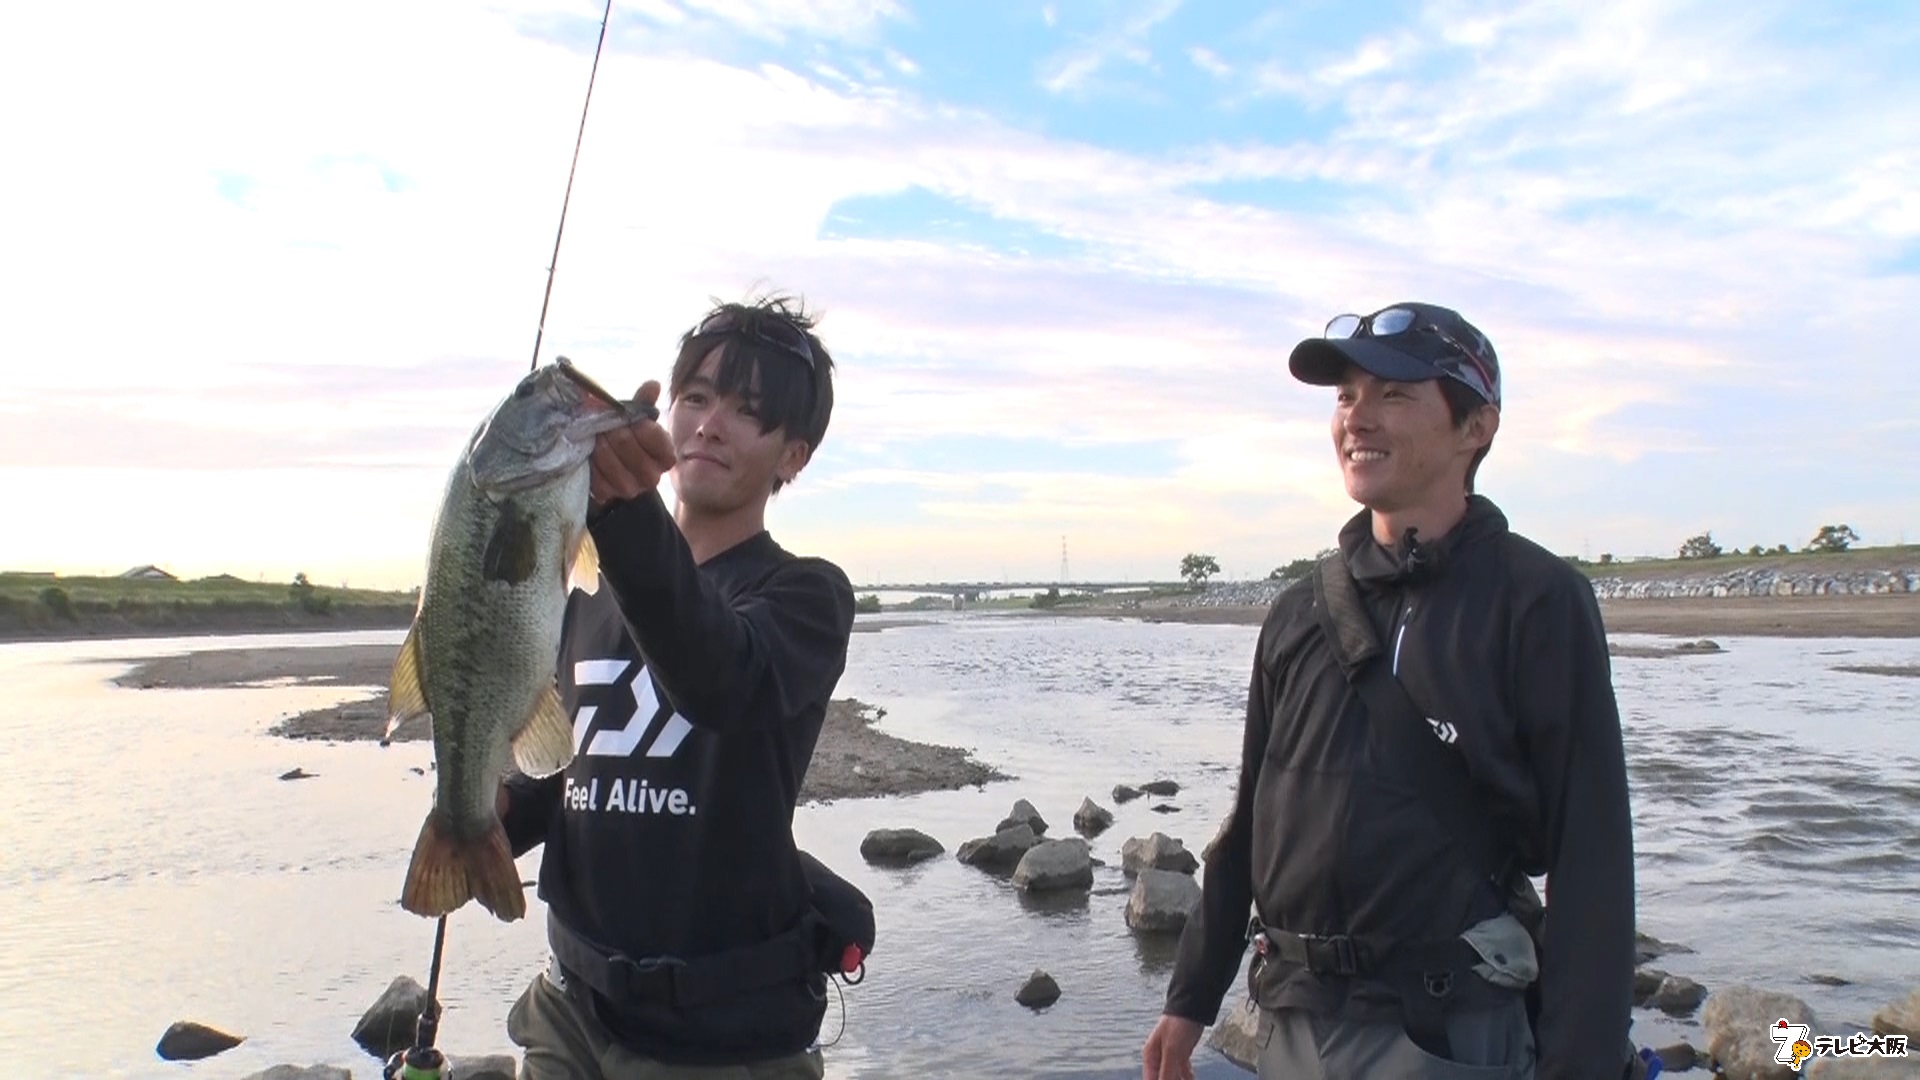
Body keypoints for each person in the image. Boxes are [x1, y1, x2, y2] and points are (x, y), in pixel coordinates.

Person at [1141, 303, 1636, 1079]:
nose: (1357, 418)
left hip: (1446, 1025)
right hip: (1292, 1019)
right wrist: (1192, 994)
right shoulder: (1300, 611)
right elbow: (1252, 818)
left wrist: (1582, 1062)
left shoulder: (1535, 600)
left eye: (1394, 394)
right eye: (1345, 396)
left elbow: (1592, 854)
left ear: (1476, 427)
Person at [498, 295, 859, 1079]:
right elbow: (565, 765)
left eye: (747, 411)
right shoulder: (587, 590)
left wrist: (624, 516)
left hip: (718, 1039)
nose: (709, 424)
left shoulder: (806, 597)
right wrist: (479, 818)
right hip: (569, 1006)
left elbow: (721, 679)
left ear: (792, 456)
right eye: (695, 398)